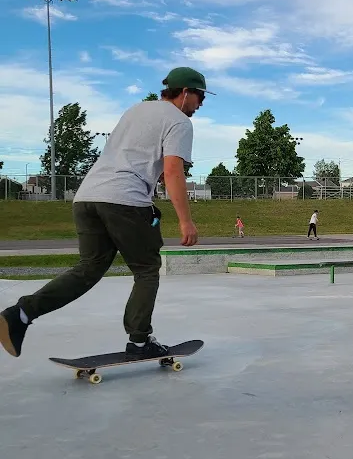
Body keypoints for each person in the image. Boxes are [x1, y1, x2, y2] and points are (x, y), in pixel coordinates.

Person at [0, 66, 213, 360]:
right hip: (124, 200)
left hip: (87, 197)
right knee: (146, 269)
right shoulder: (179, 122)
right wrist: (186, 220)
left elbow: (145, 162)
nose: (201, 104)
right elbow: (173, 170)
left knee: (89, 268)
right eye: (200, 96)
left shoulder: (137, 110)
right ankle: (140, 342)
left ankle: (21, 313)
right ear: (185, 92)